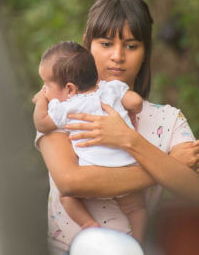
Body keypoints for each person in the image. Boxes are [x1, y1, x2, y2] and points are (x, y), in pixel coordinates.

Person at [34, 0, 199, 255]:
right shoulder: (62, 106)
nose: (118, 56)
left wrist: (129, 140)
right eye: (106, 44)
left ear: (145, 52)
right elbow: (71, 182)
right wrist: (170, 168)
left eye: (131, 46)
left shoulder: (167, 119)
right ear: (88, 46)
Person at [33, 40, 147, 242]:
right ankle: (139, 244)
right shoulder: (110, 89)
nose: (44, 90)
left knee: (66, 196)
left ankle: (88, 224)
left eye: (46, 86)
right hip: (126, 167)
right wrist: (131, 110)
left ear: (69, 88)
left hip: (92, 174)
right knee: (136, 209)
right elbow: (136, 102)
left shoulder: (66, 107)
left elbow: (42, 124)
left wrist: (40, 100)